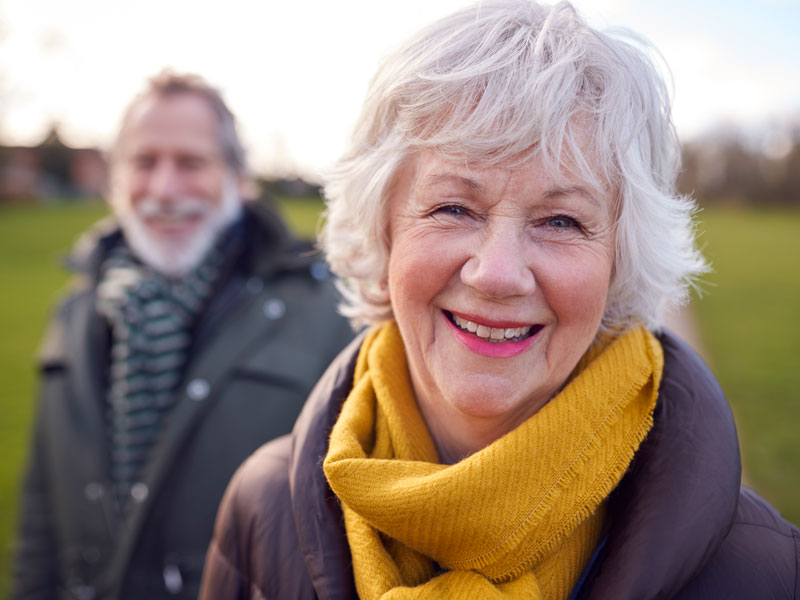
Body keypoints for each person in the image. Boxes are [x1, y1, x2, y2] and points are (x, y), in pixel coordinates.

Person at [200, 1, 800, 598]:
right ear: (382, 234)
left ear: (623, 259)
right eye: (452, 208)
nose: (497, 274)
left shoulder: (764, 572)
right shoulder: (260, 507)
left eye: (561, 221)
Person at [12, 71, 354, 600]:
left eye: (191, 164)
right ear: (115, 180)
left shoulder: (329, 313)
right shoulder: (75, 312)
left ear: (239, 180)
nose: (165, 190)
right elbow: (40, 524)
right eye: (144, 163)